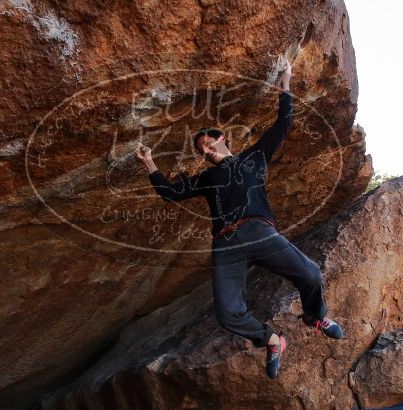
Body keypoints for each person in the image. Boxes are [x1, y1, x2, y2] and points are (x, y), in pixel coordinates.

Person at [134, 61, 343, 380]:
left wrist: (285, 82)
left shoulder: (254, 157)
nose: (205, 151)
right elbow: (168, 193)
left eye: (207, 144)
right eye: (200, 150)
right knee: (227, 314)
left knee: (311, 274)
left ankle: (314, 316)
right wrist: (149, 162)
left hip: (260, 232)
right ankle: (272, 341)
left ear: (221, 138)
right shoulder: (205, 178)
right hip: (227, 244)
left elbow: (283, 123)